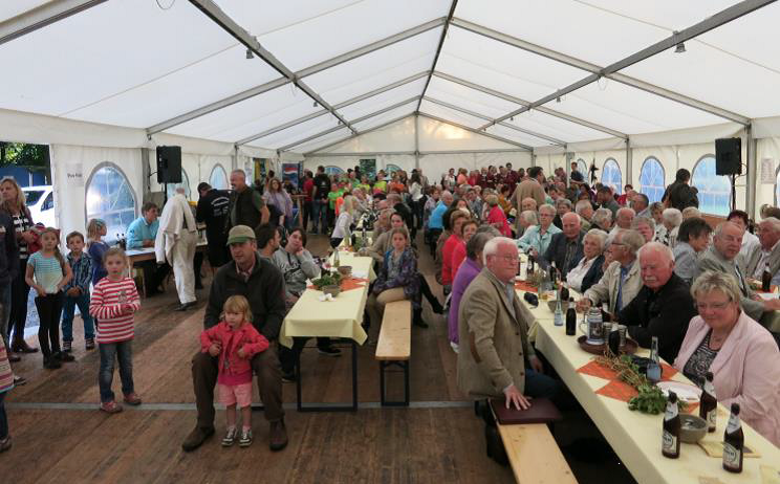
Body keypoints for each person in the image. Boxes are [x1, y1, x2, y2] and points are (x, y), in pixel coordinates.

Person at [182, 225, 287, 452]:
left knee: (268, 364)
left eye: (241, 245)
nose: (236, 250)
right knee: (200, 362)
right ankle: (204, 424)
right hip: (226, 342)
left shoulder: (270, 274)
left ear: (253, 245)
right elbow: (212, 311)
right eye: (232, 246)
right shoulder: (223, 276)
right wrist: (214, 340)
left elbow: (278, 312)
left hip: (257, 340)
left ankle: (276, 421)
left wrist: (260, 340)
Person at [674, 271, 780, 447]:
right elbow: (679, 365)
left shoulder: (759, 342)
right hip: (690, 420)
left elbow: (755, 404)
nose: (708, 312)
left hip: (738, 434)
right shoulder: (697, 323)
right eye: (702, 305)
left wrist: (699, 409)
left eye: (717, 305)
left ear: (735, 302)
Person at [458, 237, 559, 409]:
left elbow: (518, 325)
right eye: (508, 258)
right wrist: (508, 385)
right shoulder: (482, 292)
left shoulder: (503, 283)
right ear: (489, 261)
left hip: (508, 357)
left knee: (546, 364)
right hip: (489, 378)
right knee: (555, 389)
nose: (514, 262)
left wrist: (530, 354)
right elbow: (481, 345)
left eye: (516, 258)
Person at [200, 295, 269, 448]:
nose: (231, 318)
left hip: (242, 375)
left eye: (236, 314)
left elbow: (263, 342)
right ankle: (231, 428)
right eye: (228, 313)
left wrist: (249, 349)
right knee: (229, 404)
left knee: (245, 405)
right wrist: (209, 347)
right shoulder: (220, 328)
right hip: (225, 376)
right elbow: (204, 335)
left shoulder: (248, 330)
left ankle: (246, 429)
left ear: (245, 314)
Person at [617, 243, 697, 363]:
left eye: (653, 268)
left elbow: (651, 339)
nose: (648, 274)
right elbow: (625, 316)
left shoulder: (680, 297)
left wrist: (627, 329)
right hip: (647, 356)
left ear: (672, 265)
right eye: (643, 268)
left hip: (667, 366)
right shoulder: (650, 287)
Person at [89, 247, 142, 413]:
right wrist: (116, 310)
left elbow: (136, 301)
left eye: (118, 263)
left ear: (124, 264)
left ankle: (129, 392)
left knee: (127, 365)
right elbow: (94, 310)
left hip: (126, 333)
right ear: (105, 265)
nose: (114, 266)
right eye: (110, 263)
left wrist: (131, 307)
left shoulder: (129, 282)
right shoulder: (101, 286)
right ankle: (106, 399)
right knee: (107, 368)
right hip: (107, 337)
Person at [694, 222, 780, 321]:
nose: (735, 244)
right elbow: (729, 299)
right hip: (720, 321)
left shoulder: (737, 257)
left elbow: (742, 284)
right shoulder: (708, 261)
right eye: (729, 239)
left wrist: (754, 295)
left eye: (739, 240)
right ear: (715, 240)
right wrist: (763, 306)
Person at [26, 227, 75, 370]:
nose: (49, 241)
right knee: (45, 325)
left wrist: (60, 286)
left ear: (57, 241)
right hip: (43, 296)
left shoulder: (60, 256)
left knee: (55, 324)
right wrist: (38, 288)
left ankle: (56, 351)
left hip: (57, 295)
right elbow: (27, 277)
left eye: (53, 239)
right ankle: (47, 357)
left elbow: (69, 274)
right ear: (40, 241)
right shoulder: (34, 257)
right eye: (46, 238)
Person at [0, 177, 37, 356]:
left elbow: (31, 229)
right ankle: (5, 345)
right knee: (13, 304)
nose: (4, 191)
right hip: (10, 265)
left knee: (23, 303)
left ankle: (19, 339)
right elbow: (4, 236)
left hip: (26, 261)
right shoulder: (1, 212)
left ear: (17, 191)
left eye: (8, 188)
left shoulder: (24, 210)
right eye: (2, 189)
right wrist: (22, 235)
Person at [448, 230, 498, 353]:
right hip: (464, 336)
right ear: (478, 253)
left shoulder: (470, 265)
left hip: (462, 328)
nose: (495, 255)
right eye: (491, 251)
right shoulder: (473, 275)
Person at [366, 227, 426, 328]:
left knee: (380, 301)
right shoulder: (388, 253)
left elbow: (404, 278)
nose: (397, 242)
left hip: (406, 287)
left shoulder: (409, 255)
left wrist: (384, 287)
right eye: (395, 239)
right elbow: (383, 272)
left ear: (406, 241)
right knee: (369, 303)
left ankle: (387, 327)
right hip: (389, 285)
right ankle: (378, 331)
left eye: (400, 239)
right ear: (392, 240)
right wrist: (379, 284)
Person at [578, 229, 644, 315]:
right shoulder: (614, 266)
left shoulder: (643, 271)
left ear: (626, 250)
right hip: (614, 321)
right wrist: (588, 299)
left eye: (613, 243)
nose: (609, 247)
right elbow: (599, 289)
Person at [155, 188, 198, 311]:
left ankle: (186, 299)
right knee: (189, 266)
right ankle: (191, 296)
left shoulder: (172, 201)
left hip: (181, 235)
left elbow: (165, 224)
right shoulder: (186, 202)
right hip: (192, 232)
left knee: (180, 267)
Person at [61, 231, 95, 352]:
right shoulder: (64, 260)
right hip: (68, 293)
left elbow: (89, 275)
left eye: (78, 242)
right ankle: (67, 340)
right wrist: (68, 289)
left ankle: (89, 338)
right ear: (67, 246)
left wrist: (79, 288)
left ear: (83, 244)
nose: (75, 245)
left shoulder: (88, 258)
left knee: (87, 315)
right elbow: (61, 275)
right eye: (72, 243)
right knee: (67, 317)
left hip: (83, 293)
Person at [196, 182, 230, 270]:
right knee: (230, 261)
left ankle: (219, 282)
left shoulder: (204, 200)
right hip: (229, 233)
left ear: (201, 191)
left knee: (217, 264)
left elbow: (199, 219)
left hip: (214, 236)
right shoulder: (226, 194)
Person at [0, 210, 19, 368]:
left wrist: (13, 272)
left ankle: (6, 357)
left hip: (4, 278)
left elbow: (12, 248)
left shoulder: (5, 218)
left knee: (3, 323)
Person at [565, 229, 607, 293]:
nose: (588, 247)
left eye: (593, 244)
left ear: (601, 248)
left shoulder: (601, 266)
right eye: (586, 243)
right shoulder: (578, 258)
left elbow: (593, 291)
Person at [673, 217, 712, 285]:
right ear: (691, 236)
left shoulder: (680, 247)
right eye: (704, 237)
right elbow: (681, 282)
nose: (707, 241)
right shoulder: (687, 253)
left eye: (708, 237)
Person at [742, 217, 780, 284]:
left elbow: (775, 284)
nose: (760, 233)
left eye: (766, 230)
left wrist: (754, 283)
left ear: (778, 234)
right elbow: (747, 271)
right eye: (759, 230)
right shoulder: (757, 247)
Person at [441, 210, 470, 294]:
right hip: (451, 280)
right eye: (458, 223)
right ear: (453, 227)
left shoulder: (466, 240)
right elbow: (454, 268)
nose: (462, 225)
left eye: (464, 223)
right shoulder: (451, 242)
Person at [87, 218, 110, 286]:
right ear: (98, 230)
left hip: (107, 274)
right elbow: (106, 258)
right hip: (100, 276)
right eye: (105, 227)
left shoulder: (103, 243)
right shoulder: (94, 245)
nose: (106, 229)